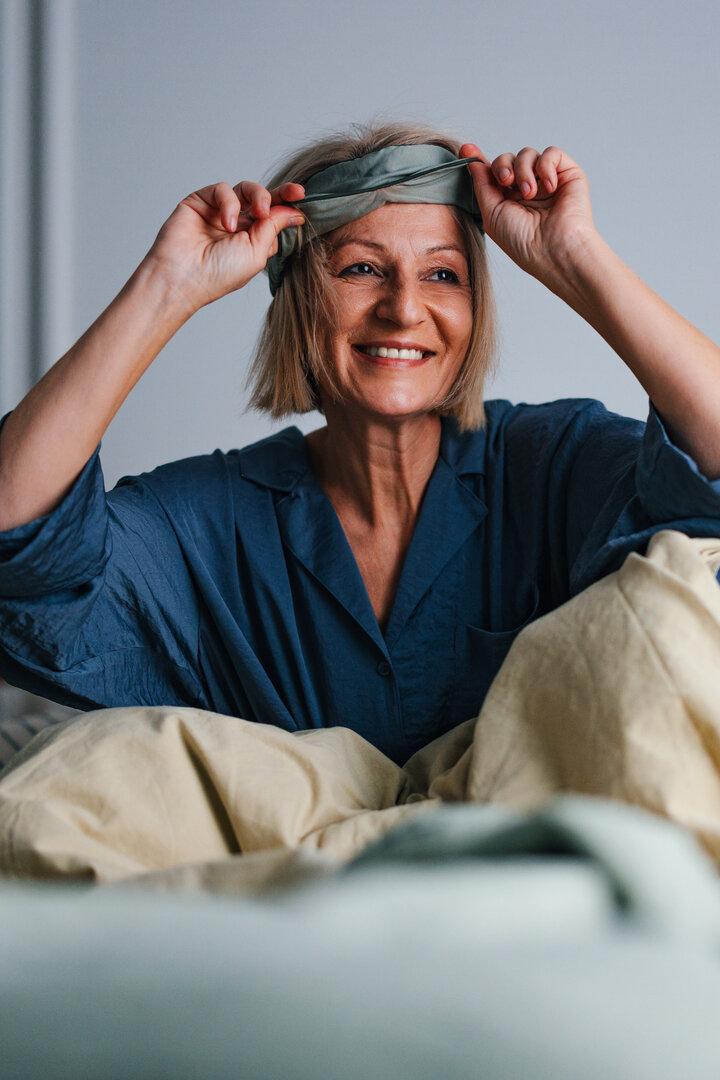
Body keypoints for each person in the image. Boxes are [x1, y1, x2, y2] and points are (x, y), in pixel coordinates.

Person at [0, 119, 719, 770]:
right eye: (362, 269)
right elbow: (19, 542)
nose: (404, 308)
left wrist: (576, 255)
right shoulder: (209, 522)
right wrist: (166, 286)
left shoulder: (549, 460)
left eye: (443, 274)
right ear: (301, 298)